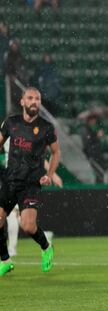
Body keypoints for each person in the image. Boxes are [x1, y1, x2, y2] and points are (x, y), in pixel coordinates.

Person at [0, 87, 60, 276]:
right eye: (30, 98)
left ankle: (45, 246)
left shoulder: (46, 127)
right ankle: (5, 260)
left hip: (30, 184)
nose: (34, 101)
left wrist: (49, 174)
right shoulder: (11, 123)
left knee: (27, 226)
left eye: (37, 98)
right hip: (10, 181)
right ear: (23, 102)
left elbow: (56, 152)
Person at [2, 138, 62, 257]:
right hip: (10, 177)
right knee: (18, 219)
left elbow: (37, 156)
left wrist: (52, 175)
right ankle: (43, 235)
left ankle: (11, 249)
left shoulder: (22, 131)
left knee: (16, 217)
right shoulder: (9, 127)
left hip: (25, 180)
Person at [81, 114, 105, 183]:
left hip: (95, 153)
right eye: (93, 120)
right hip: (91, 154)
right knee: (97, 172)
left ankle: (99, 186)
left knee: (99, 172)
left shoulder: (90, 129)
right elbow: (87, 142)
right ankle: (97, 187)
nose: (94, 122)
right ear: (89, 120)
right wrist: (96, 136)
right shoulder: (84, 129)